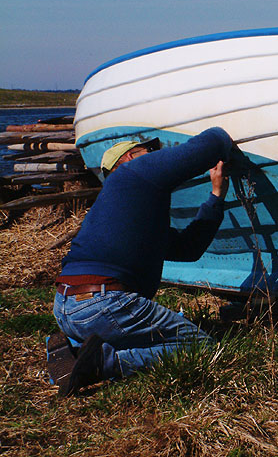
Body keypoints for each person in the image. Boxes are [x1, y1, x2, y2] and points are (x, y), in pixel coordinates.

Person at [47, 127, 232, 396]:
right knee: (201, 345)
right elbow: (212, 144)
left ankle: (75, 349)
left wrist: (216, 197)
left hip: (65, 307)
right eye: (149, 151)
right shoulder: (134, 172)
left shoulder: (127, 212)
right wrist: (224, 134)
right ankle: (104, 363)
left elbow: (187, 249)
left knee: (124, 330)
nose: (156, 156)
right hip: (103, 304)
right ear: (130, 158)